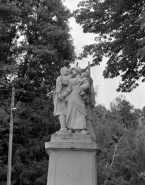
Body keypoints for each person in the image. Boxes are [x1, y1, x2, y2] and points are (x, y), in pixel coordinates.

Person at [61, 66, 90, 134]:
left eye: (73, 70)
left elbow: (87, 85)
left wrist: (81, 87)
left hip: (80, 97)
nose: (72, 71)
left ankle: (82, 129)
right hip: (72, 97)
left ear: (77, 71)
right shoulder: (71, 80)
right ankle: (71, 128)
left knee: (80, 112)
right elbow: (68, 90)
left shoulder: (84, 79)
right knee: (71, 112)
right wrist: (62, 95)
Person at [53, 66, 71, 132]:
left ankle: (63, 127)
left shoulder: (60, 78)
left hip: (62, 96)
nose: (60, 72)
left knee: (61, 112)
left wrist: (58, 94)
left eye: (61, 70)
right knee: (66, 112)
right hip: (68, 96)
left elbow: (58, 86)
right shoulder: (70, 78)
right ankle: (66, 127)